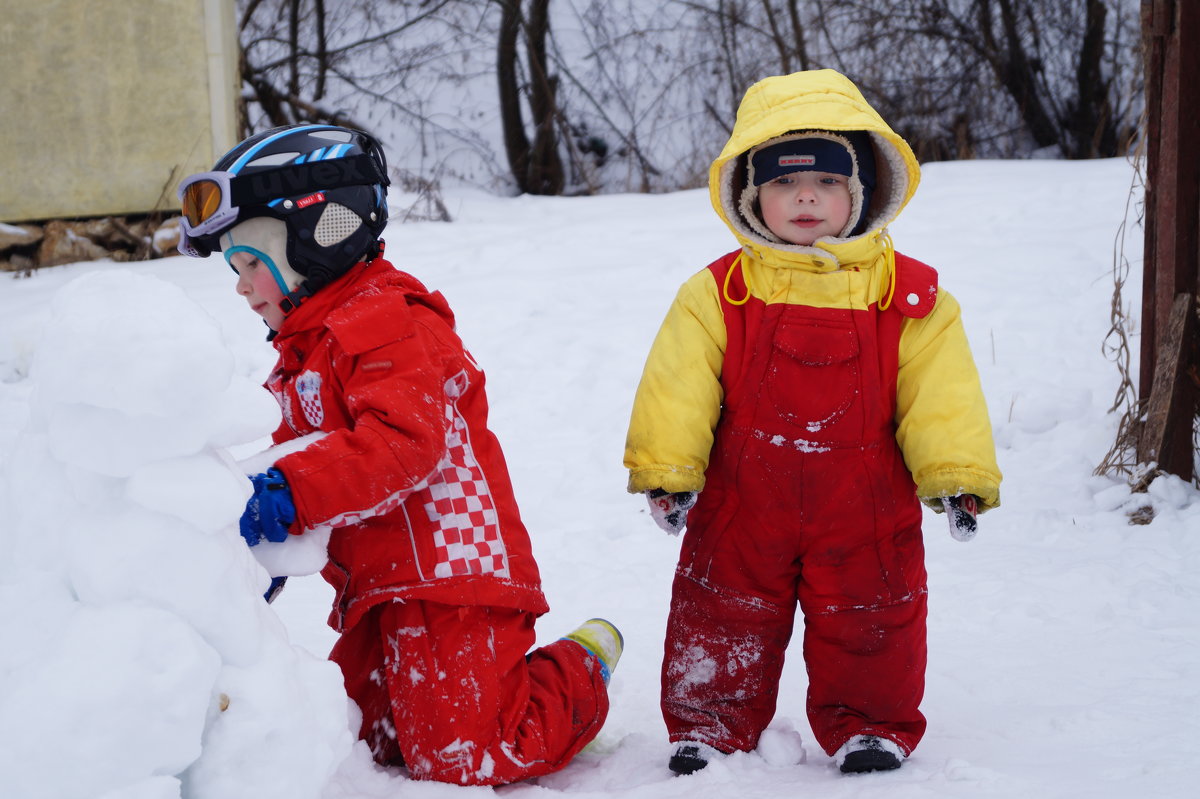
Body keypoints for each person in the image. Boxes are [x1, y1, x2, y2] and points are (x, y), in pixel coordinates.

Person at [176, 124, 622, 786]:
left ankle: (580, 664)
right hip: (374, 589)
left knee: (464, 753)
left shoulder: (383, 318)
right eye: (234, 270)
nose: (242, 287)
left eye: (249, 262)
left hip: (453, 574)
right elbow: (306, 464)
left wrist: (289, 491)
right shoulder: (301, 357)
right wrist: (256, 546)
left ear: (317, 232)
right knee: (364, 735)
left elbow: (404, 443)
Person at [623, 69, 1002, 776]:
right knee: (722, 605)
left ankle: (870, 725)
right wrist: (669, 470)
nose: (805, 197)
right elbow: (679, 384)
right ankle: (709, 723)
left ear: (859, 193)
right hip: (745, 499)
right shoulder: (719, 292)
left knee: (872, 612)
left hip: (862, 502)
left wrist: (956, 474)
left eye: (827, 183)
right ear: (749, 196)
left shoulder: (907, 295)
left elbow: (940, 393)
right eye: (783, 183)